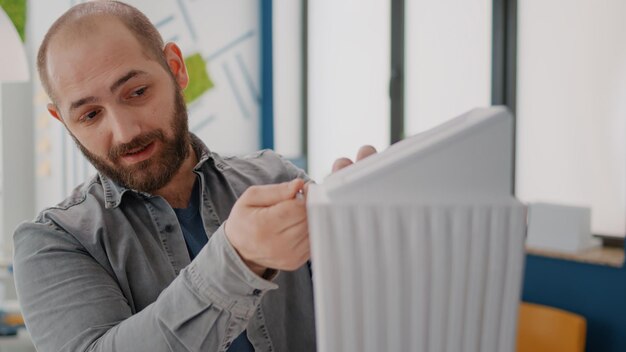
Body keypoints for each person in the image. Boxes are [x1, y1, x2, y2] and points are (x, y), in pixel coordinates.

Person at [12, 1, 376, 352]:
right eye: (90, 115)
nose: (124, 132)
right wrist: (237, 260)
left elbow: (363, 311)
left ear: (175, 68)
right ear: (64, 122)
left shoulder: (274, 178)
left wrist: (373, 229)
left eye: (137, 92)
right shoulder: (53, 242)